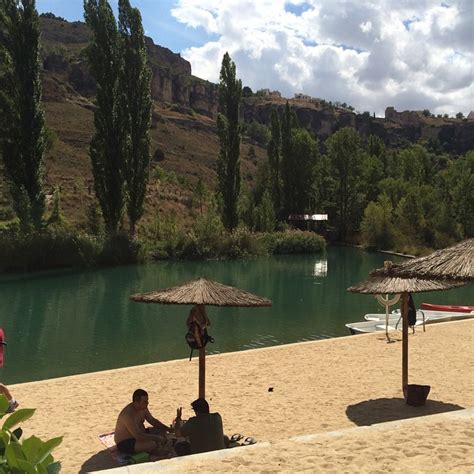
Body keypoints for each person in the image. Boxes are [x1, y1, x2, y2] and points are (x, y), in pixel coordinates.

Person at [114, 388, 172, 455]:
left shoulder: (143, 407)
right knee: (152, 444)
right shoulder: (128, 415)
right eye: (145, 402)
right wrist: (157, 438)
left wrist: (168, 429)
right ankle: (154, 450)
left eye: (147, 401)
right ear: (136, 403)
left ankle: (156, 446)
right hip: (126, 442)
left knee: (162, 430)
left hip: (141, 433)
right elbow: (138, 436)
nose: (147, 403)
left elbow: (152, 420)